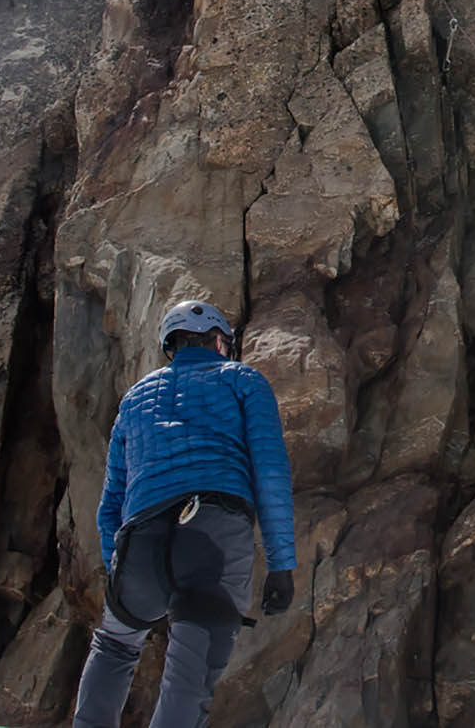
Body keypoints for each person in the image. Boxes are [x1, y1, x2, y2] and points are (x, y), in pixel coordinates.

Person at [72, 300, 298, 728]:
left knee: (116, 644)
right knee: (188, 678)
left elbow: (110, 509)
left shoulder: (133, 401)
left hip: (140, 540)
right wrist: (281, 564)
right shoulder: (243, 380)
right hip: (212, 535)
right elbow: (270, 473)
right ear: (219, 340)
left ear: (171, 347)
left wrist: (120, 575)